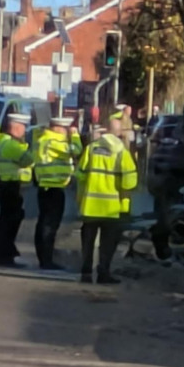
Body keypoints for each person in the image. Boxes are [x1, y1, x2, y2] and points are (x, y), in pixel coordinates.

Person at [76, 117, 139, 284]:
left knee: (88, 241)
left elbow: (80, 175)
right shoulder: (121, 153)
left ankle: (86, 272)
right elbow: (130, 182)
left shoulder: (91, 149)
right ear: (118, 133)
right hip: (111, 207)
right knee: (108, 243)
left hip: (90, 205)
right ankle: (103, 273)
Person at [33, 116, 82, 270]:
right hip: (52, 188)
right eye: (65, 129)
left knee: (44, 224)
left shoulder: (45, 139)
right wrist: (75, 135)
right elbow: (76, 150)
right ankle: (46, 260)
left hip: (48, 187)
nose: (66, 132)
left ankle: (44, 258)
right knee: (49, 226)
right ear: (58, 128)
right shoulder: (53, 142)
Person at [0, 113, 35, 267]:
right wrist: (27, 145)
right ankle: (5, 256)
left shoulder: (4, 142)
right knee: (9, 223)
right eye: (23, 127)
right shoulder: (11, 145)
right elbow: (29, 159)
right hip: (11, 186)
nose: (25, 131)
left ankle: (4, 253)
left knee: (6, 221)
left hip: (7, 186)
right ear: (16, 127)